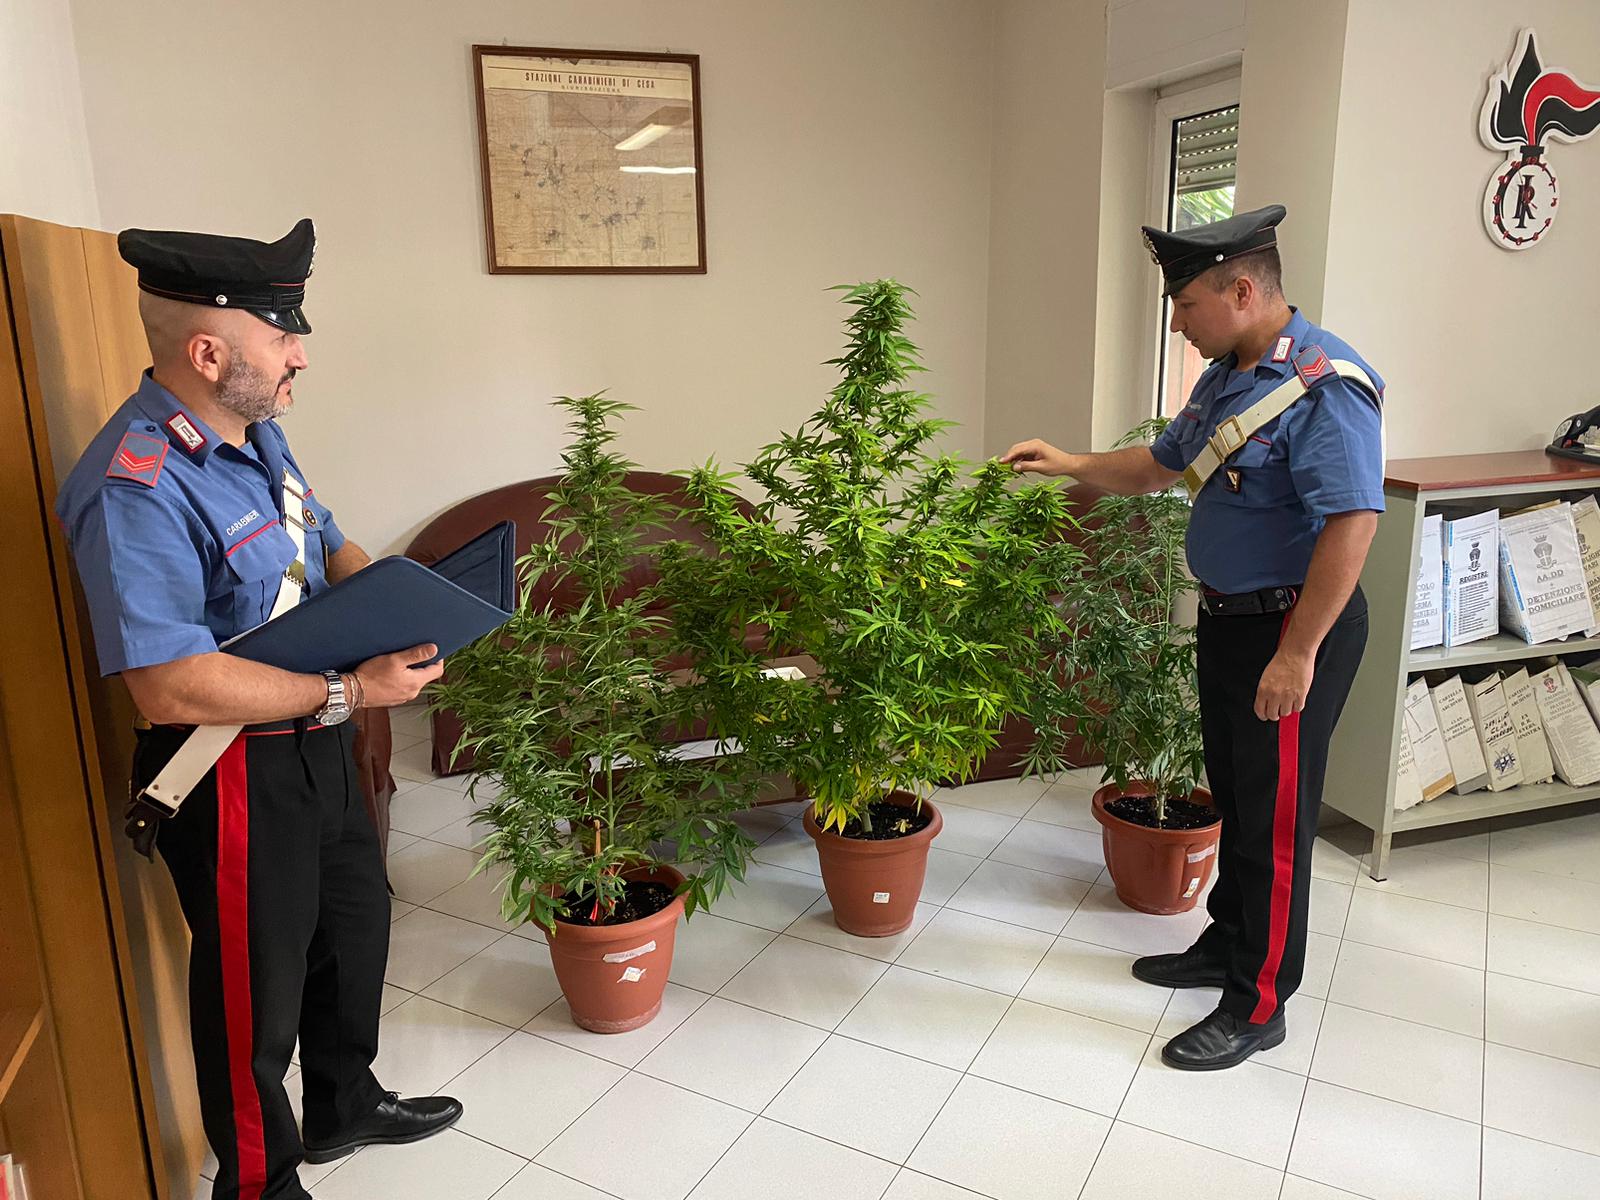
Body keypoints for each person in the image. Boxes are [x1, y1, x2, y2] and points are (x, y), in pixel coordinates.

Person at [55, 219, 462, 1199]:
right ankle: (259, 1185)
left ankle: (342, 1104)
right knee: (254, 993)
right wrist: (353, 690)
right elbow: (169, 683)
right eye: (282, 337)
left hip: (318, 739)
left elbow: (328, 542)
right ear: (208, 355)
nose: (300, 356)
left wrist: (400, 606)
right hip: (230, 767)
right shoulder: (135, 485)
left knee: (352, 927)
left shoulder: (256, 435)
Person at [1003, 205, 1383, 1070]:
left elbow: (1353, 524)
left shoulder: (1325, 386)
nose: (1178, 322)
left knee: (1275, 824)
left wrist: (1297, 653)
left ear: (1242, 290)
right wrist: (1070, 463)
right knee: (1238, 801)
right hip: (1230, 623)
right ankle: (1226, 944)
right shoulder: (1227, 376)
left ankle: (1257, 1005)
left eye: (1186, 303)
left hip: (1292, 631)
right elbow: (1160, 465)